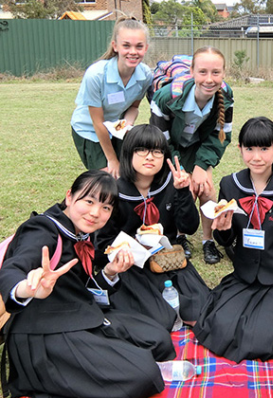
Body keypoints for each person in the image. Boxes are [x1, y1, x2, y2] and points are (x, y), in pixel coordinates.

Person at [0, 170, 175, 398]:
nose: (95, 213)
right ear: (69, 197)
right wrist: (27, 289)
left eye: (106, 207)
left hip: (80, 315)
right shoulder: (42, 229)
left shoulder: (82, 232)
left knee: (159, 340)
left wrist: (110, 272)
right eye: (89, 201)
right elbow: (12, 270)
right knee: (145, 374)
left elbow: (83, 288)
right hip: (43, 332)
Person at [192, 116, 273, 362]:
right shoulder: (231, 184)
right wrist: (223, 230)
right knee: (219, 327)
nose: (256, 157)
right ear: (239, 149)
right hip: (244, 274)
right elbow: (226, 241)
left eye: (264, 148)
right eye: (249, 148)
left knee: (262, 335)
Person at [95, 124, 210, 330]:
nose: (150, 157)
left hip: (169, 260)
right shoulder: (113, 192)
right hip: (132, 267)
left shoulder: (171, 183)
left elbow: (189, 227)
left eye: (157, 151)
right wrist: (130, 250)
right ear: (128, 153)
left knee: (201, 312)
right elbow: (101, 245)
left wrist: (183, 193)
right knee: (159, 320)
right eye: (142, 150)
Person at [150, 46, 234, 264]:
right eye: (203, 72)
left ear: (223, 73)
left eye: (216, 72)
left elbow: (220, 135)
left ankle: (208, 241)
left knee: (206, 187)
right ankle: (180, 236)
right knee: (181, 188)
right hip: (173, 146)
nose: (209, 79)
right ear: (192, 71)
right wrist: (183, 171)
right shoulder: (166, 96)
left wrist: (202, 166)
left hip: (200, 145)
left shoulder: (226, 95)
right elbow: (162, 140)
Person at [71, 16, 152, 179]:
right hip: (90, 130)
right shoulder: (96, 75)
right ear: (115, 46)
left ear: (146, 48)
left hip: (117, 129)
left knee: (128, 175)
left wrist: (126, 125)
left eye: (139, 46)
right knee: (107, 178)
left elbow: (134, 107)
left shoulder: (146, 76)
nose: (133, 52)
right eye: (126, 45)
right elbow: (97, 122)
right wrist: (112, 159)